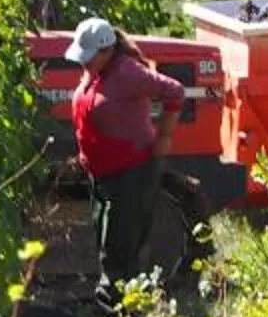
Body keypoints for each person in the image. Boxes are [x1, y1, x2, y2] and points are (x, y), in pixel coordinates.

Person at [65, 16, 186, 294]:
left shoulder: (128, 72)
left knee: (119, 252)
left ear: (107, 51)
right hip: (102, 177)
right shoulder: (95, 73)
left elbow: (175, 91)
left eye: (89, 57)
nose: (83, 63)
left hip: (130, 175)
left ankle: (118, 314)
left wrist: (164, 138)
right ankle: (119, 305)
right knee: (106, 243)